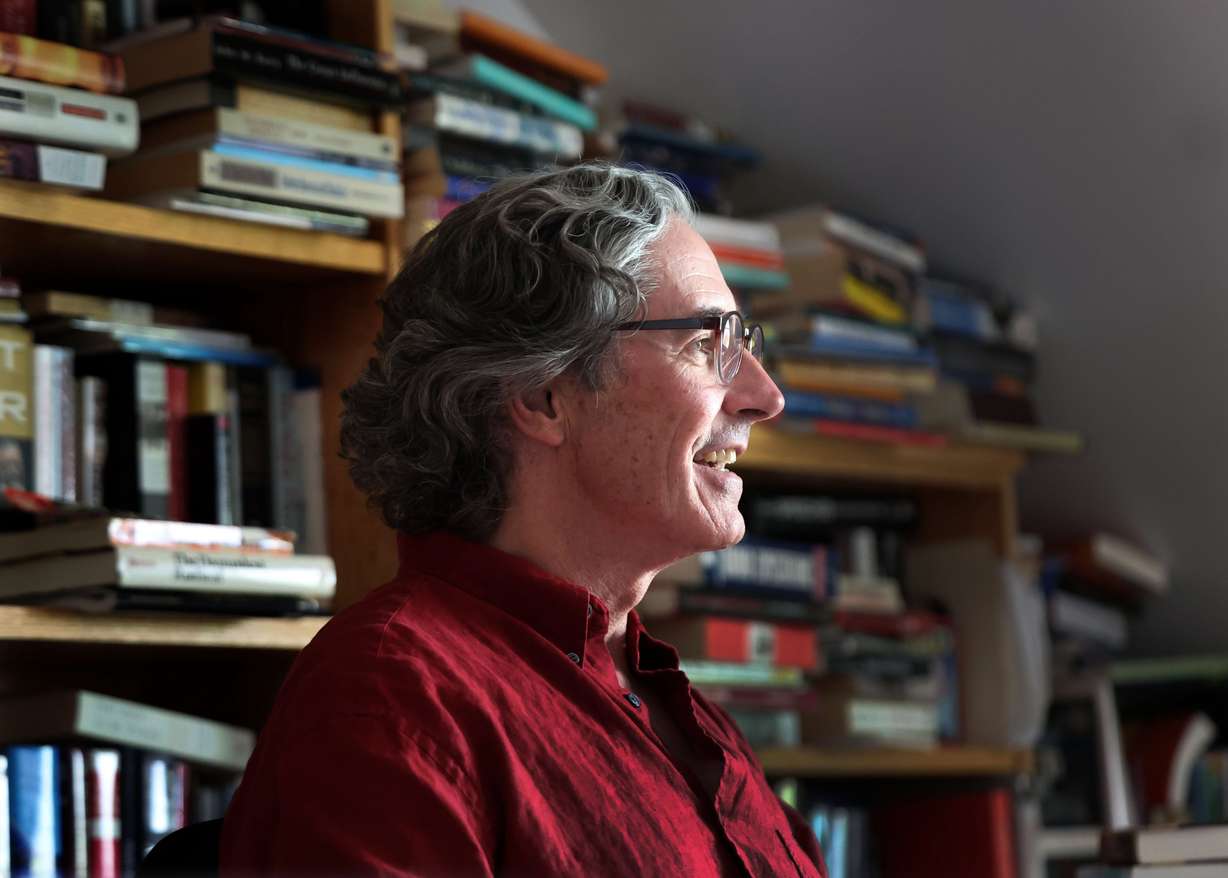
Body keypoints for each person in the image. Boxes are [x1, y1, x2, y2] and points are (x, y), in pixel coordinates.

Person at [220, 164, 826, 877]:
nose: (764, 395)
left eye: (744, 342)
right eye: (707, 343)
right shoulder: (393, 695)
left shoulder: (673, 704)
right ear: (543, 396)